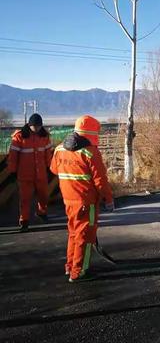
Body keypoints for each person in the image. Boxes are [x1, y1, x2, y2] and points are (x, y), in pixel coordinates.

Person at [50, 115, 114, 283]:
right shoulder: (90, 152)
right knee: (85, 237)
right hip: (86, 202)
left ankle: (70, 266)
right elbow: (101, 180)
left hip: (68, 201)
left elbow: (54, 170)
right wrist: (108, 199)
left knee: (73, 234)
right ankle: (79, 271)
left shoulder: (59, 149)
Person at [8, 113, 53, 231]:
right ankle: (24, 221)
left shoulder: (45, 136)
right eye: (35, 127)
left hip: (41, 173)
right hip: (24, 175)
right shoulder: (19, 137)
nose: (37, 129)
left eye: (39, 127)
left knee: (44, 196)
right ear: (29, 125)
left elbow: (48, 154)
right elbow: (13, 156)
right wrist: (12, 171)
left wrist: (50, 167)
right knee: (25, 199)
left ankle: (42, 213)